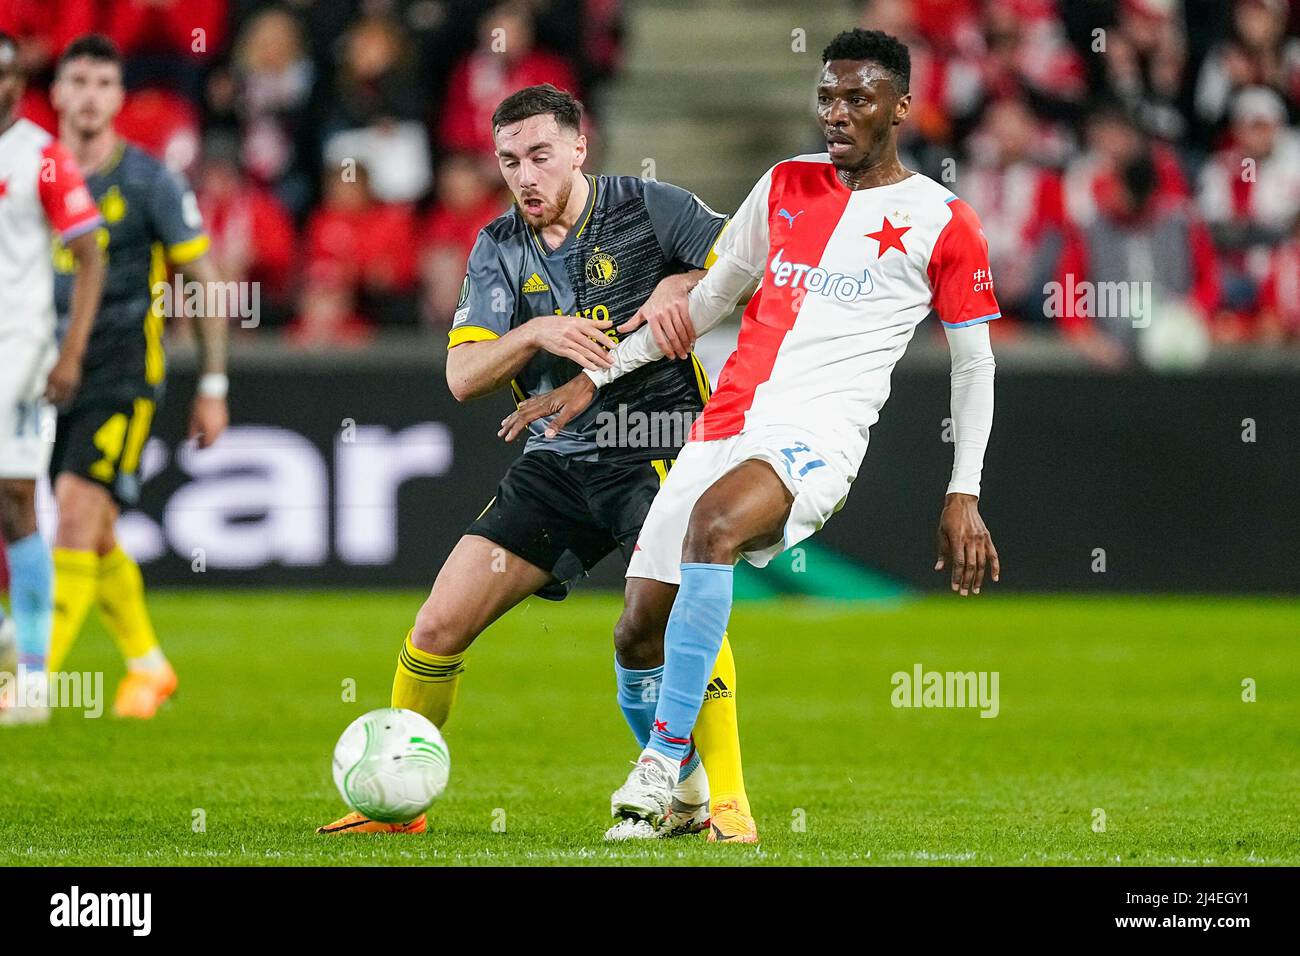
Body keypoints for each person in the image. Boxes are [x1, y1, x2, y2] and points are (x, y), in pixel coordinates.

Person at [500, 29, 1002, 829]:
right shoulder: (782, 185)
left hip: (817, 438)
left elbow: (973, 366)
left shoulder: (943, 221)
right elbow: (705, 303)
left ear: (901, 107)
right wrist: (594, 377)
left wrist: (963, 488)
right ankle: (693, 799)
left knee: (714, 527)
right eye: (827, 98)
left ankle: (661, 761)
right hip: (724, 425)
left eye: (858, 99)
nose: (836, 114)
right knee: (634, 634)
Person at [318, 84, 757, 842]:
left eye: (541, 156)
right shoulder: (497, 247)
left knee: (674, 619)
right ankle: (396, 808)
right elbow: (462, 378)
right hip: (555, 462)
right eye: (510, 159)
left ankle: (728, 804)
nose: (525, 175)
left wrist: (677, 285)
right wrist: (537, 333)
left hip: (656, 446)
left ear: (579, 149)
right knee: (437, 625)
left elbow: (745, 271)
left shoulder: (652, 208)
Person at [44, 34, 229, 718]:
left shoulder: (150, 180)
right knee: (92, 531)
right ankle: (149, 666)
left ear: (119, 99)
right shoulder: (32, 175)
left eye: (103, 83)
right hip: (43, 374)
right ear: (57, 93)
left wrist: (212, 386)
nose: (89, 95)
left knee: (72, 509)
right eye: (78, 81)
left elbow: (204, 283)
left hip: (122, 371)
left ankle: (33, 680)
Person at [0, 30, 105, 725]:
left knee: (14, 504)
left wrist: (70, 353)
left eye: (9, 73)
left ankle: (34, 679)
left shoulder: (40, 155)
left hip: (20, 348)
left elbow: (89, 254)